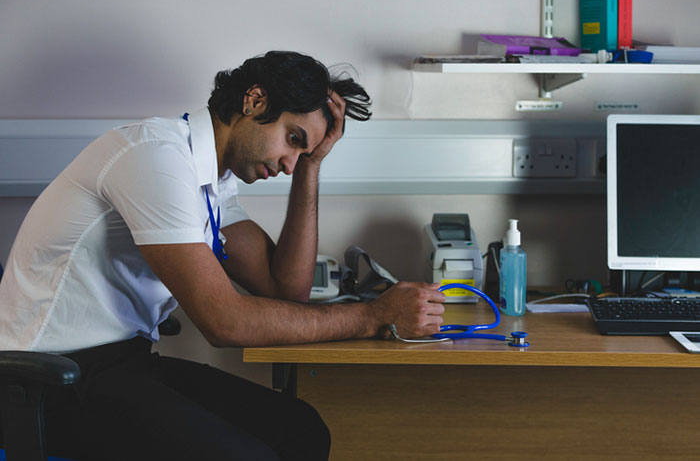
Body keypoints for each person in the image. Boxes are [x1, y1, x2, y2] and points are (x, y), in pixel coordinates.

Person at [0, 51, 446, 460]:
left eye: (301, 151)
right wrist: (373, 316)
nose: (288, 163)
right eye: (291, 139)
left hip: (120, 366)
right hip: (46, 383)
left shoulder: (212, 183)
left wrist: (311, 166)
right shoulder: (154, 158)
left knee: (300, 430)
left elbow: (286, 290)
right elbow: (224, 322)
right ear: (254, 100)